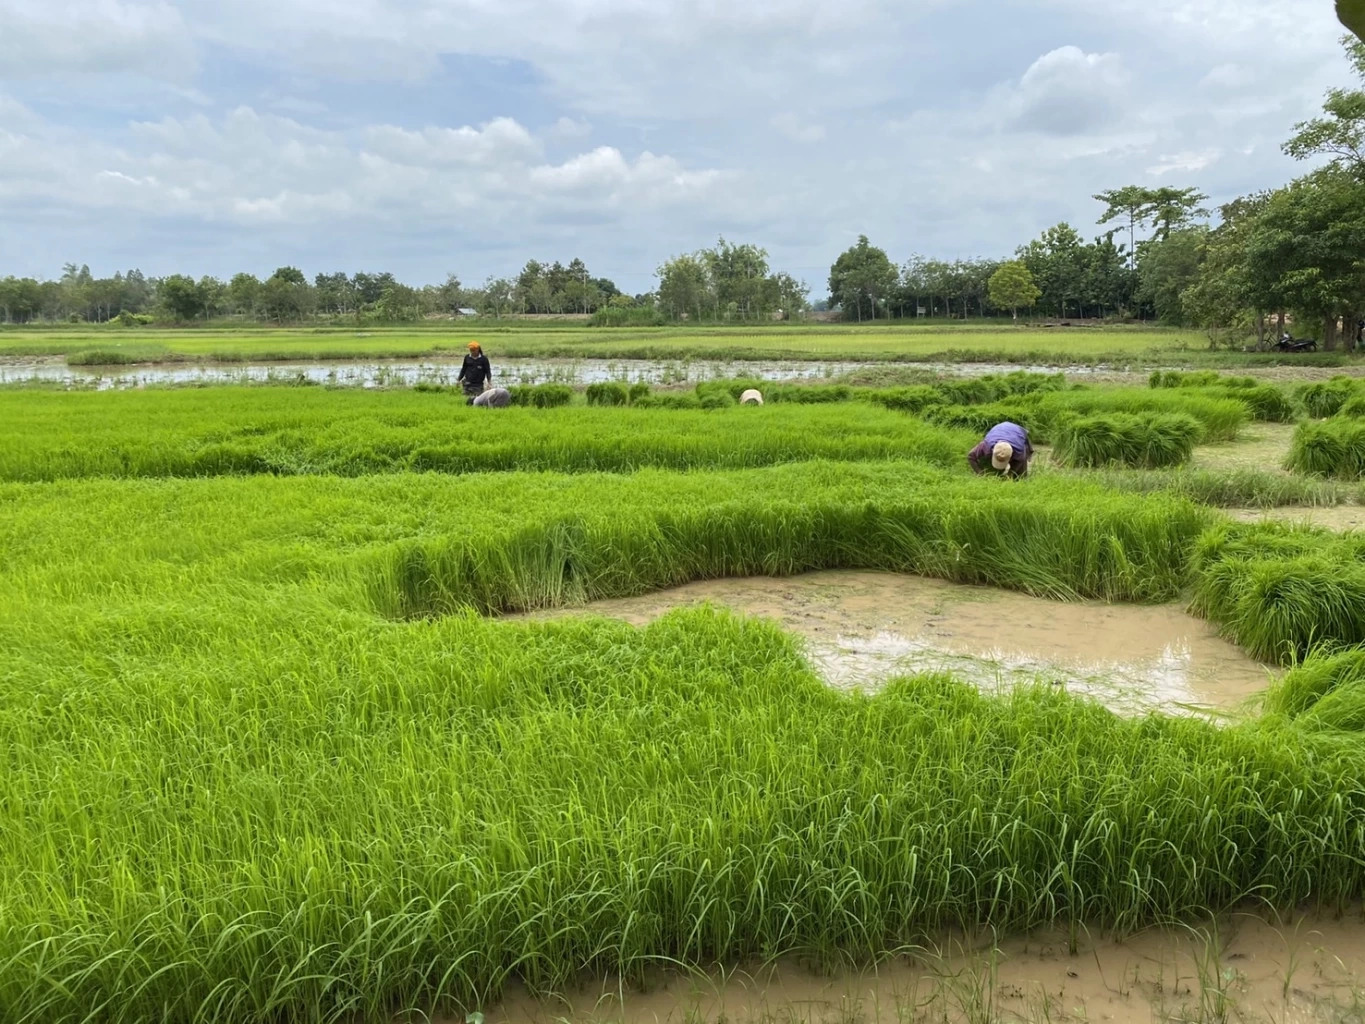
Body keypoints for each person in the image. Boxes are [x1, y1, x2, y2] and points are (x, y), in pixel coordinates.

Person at [968, 422, 1033, 479]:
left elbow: (1019, 461)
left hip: (1017, 432)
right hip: (999, 429)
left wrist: (1010, 474)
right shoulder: (986, 445)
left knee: (1020, 476)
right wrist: (980, 473)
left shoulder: (1019, 450)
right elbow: (971, 456)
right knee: (992, 472)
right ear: (993, 451)